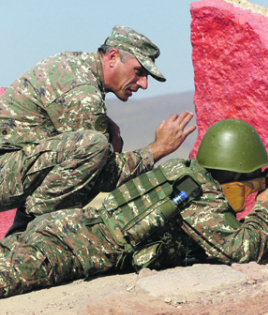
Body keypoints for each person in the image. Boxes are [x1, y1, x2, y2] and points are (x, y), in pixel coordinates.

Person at [0, 119, 268, 298]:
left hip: (66, 229)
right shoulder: (201, 193)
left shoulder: (184, 173)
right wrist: (265, 209)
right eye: (252, 174)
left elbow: (211, 234)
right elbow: (239, 249)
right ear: (233, 171)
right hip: (66, 249)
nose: (257, 179)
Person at [0, 25, 196, 236]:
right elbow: (106, 175)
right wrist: (158, 149)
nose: (144, 84)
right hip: (5, 172)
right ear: (112, 57)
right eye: (139, 72)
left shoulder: (78, 67)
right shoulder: (82, 93)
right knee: (93, 147)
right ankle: (25, 234)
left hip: (10, 169)